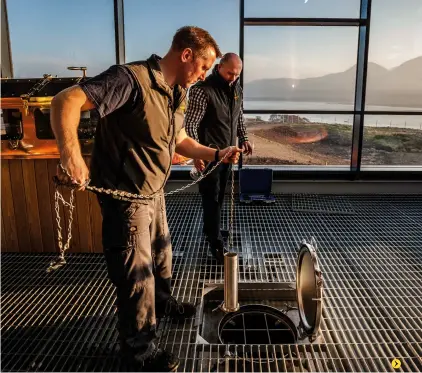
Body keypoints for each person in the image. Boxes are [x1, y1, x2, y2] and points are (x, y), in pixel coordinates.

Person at [50, 26, 242, 372]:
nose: (205, 74)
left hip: (155, 193)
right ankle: (139, 352)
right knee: (137, 276)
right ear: (186, 55)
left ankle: (164, 304)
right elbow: (66, 100)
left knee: (161, 256)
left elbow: (180, 139)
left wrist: (217, 152)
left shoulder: (178, 92)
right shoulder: (130, 79)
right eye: (203, 66)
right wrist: (71, 155)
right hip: (127, 198)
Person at [185, 53, 253, 263]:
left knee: (219, 196)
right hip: (209, 154)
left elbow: (238, 116)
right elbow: (190, 126)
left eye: (237, 74)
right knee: (211, 198)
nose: (233, 77)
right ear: (219, 66)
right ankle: (215, 243)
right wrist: (197, 154)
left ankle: (211, 230)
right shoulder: (201, 90)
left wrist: (244, 137)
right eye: (230, 73)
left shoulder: (236, 89)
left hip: (228, 154)